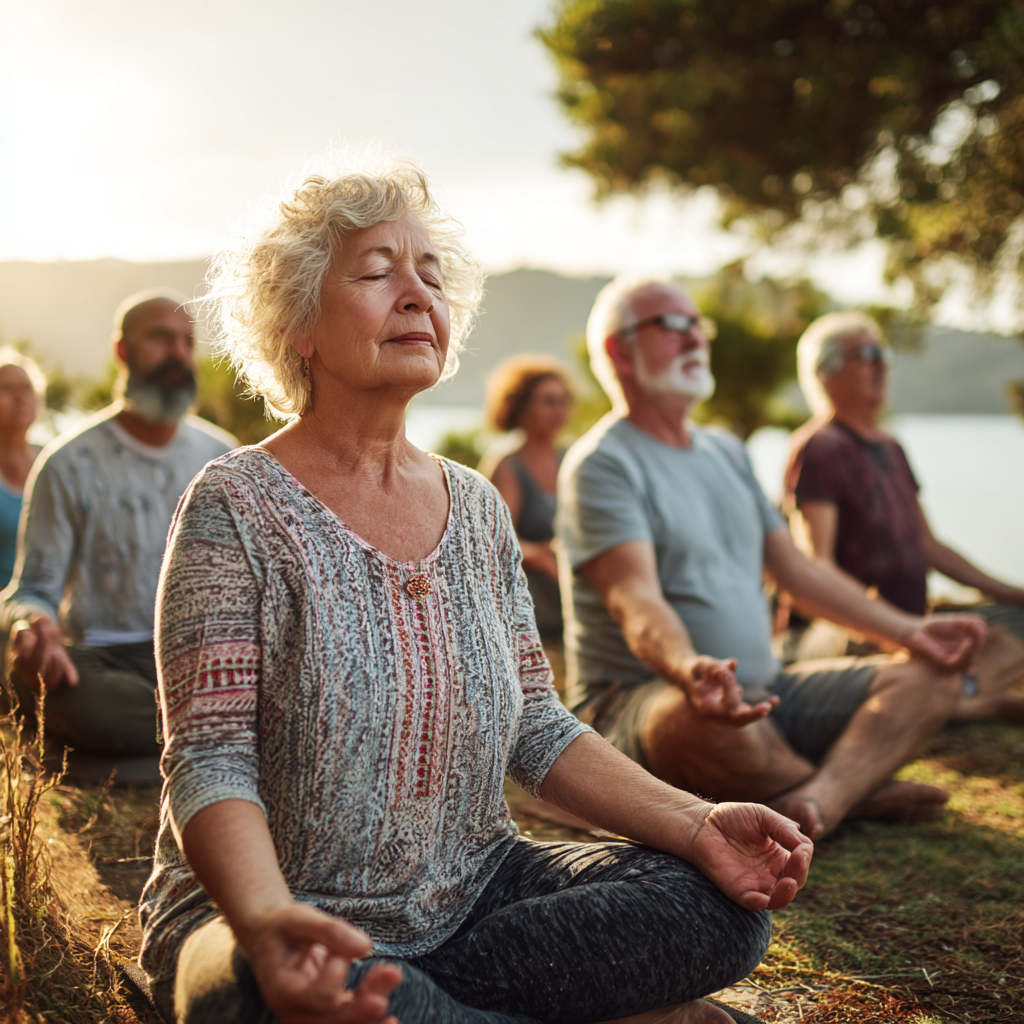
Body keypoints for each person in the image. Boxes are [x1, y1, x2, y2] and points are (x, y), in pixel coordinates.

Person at [138, 158, 813, 1024]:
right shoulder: (235, 503)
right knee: (271, 995)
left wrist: (694, 823)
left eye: (431, 275)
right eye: (378, 272)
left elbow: (535, 723)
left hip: (474, 897)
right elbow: (210, 757)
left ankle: (433, 1010)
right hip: (270, 916)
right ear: (296, 324)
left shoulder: (480, 509)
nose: (417, 294)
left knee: (717, 909)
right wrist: (269, 921)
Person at [556, 275, 989, 844]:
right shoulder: (602, 465)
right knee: (699, 721)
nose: (695, 339)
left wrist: (913, 631)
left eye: (699, 326)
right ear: (619, 351)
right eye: (674, 325)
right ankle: (853, 792)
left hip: (768, 690)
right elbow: (633, 598)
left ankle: (821, 802)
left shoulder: (726, 451)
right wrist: (690, 668)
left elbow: (797, 572)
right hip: (646, 699)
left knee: (932, 675)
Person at [1, 289, 235, 784]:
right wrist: (32, 624)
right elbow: (34, 590)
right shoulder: (68, 462)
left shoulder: (223, 458)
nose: (178, 353)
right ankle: (215, 747)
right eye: (161, 339)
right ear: (122, 351)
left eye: (187, 341)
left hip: (203, 661)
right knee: (54, 689)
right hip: (104, 662)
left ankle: (106, 763)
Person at [783, 312, 1024, 719]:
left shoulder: (891, 448)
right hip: (842, 629)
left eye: (883, 353)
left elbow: (929, 546)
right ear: (826, 372)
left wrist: (1012, 593)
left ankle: (956, 697)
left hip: (911, 623)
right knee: (910, 651)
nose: (881, 364)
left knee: (1016, 622)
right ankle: (958, 700)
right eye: (866, 354)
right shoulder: (819, 449)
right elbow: (815, 564)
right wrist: (888, 623)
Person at [483, 355, 575, 636]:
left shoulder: (570, 457)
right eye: (548, 401)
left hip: (572, 598)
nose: (558, 410)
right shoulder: (507, 464)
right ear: (521, 407)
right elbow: (494, 540)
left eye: (563, 401)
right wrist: (544, 555)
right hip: (530, 608)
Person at [0, 350, 45, 588]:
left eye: (27, 388)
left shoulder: (55, 461)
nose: (20, 397)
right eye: (6, 389)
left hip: (51, 616)